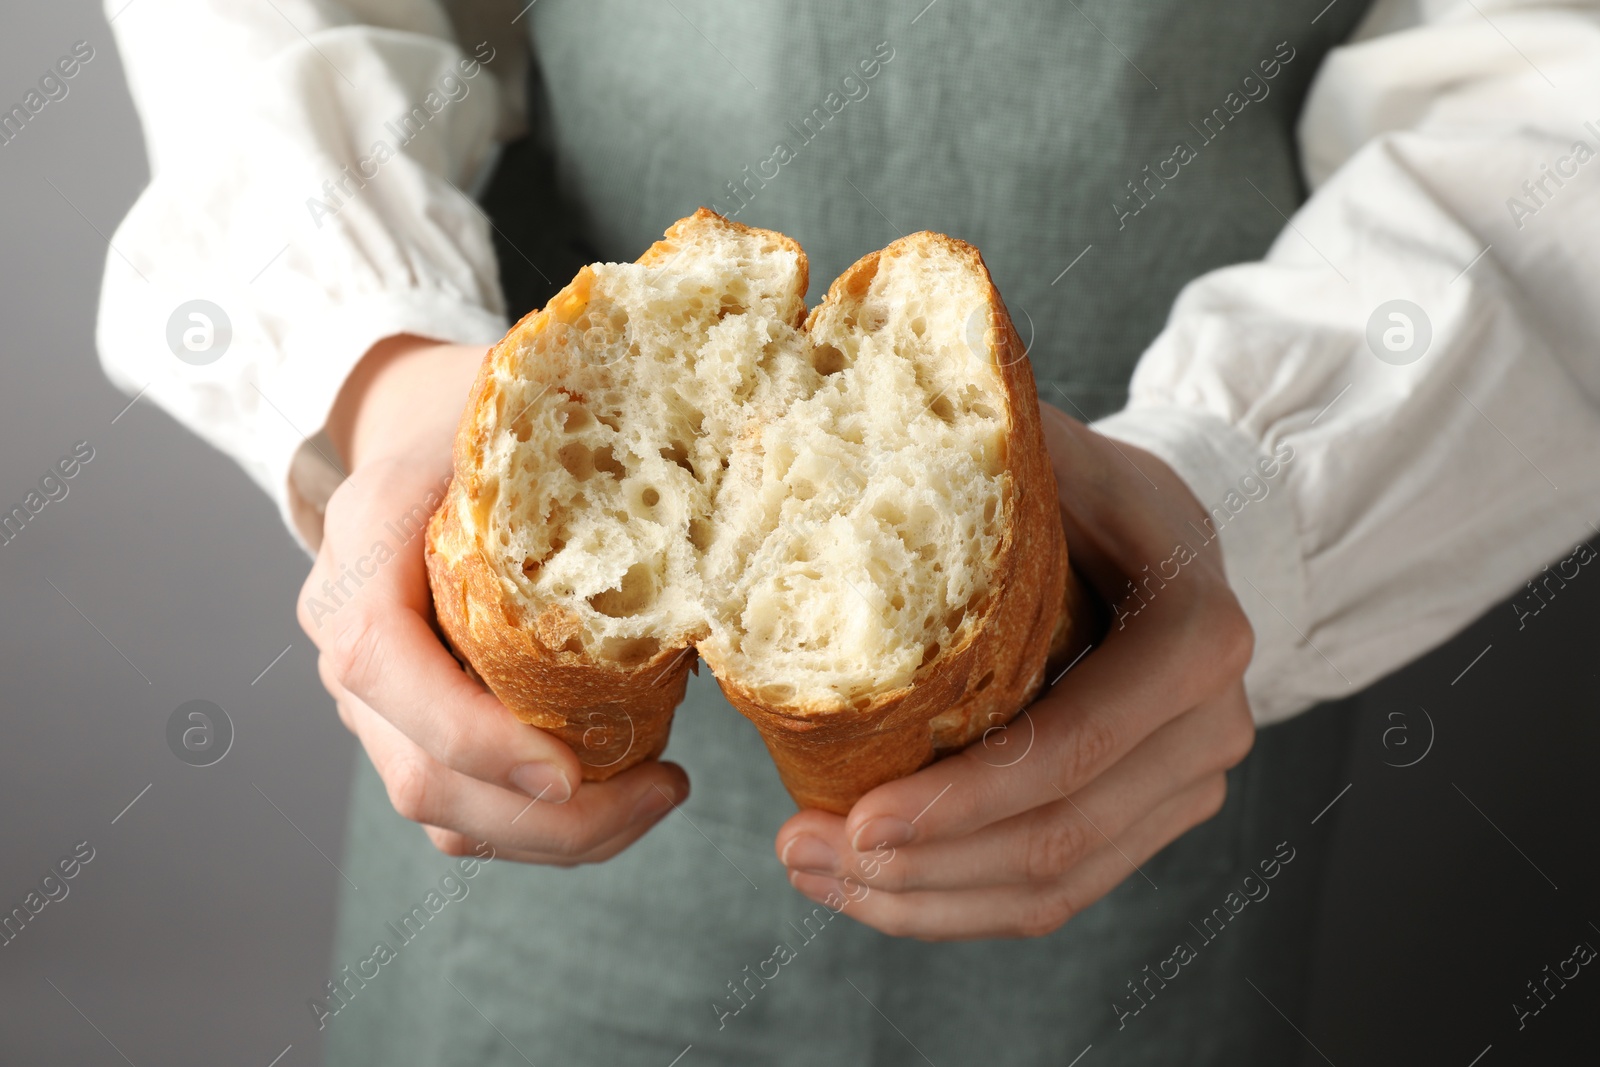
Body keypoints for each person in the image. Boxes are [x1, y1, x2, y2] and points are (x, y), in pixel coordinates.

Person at [98, 0, 1600, 1063]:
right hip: (512, 798)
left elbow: (1559, 82)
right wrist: (393, 372)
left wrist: (1258, 490)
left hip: (1146, 705)